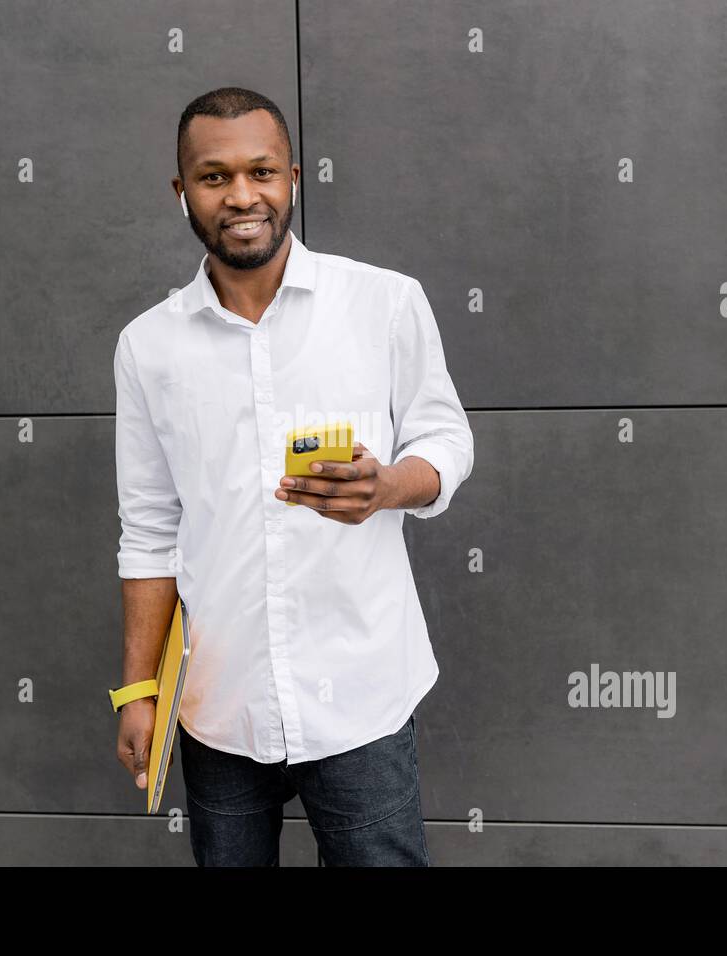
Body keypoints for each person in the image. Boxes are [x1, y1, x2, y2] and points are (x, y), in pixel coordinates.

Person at [111, 87, 473, 866]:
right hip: (221, 702)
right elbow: (147, 529)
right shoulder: (147, 347)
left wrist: (389, 488)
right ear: (183, 193)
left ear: (294, 178)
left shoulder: (383, 302)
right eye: (213, 177)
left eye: (262, 170)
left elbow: (446, 439)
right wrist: (140, 692)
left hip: (363, 691)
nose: (242, 195)